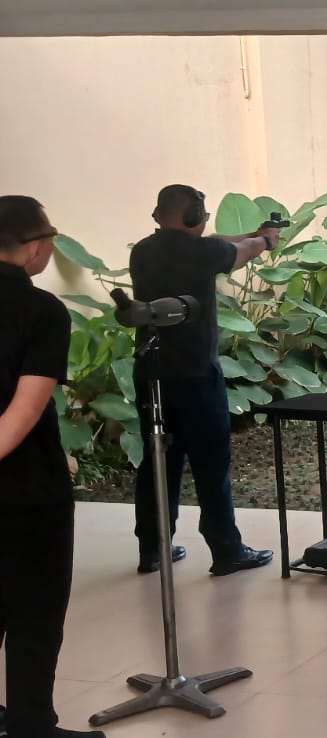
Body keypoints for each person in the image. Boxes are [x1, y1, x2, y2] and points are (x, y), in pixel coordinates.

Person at [127, 185, 276, 576]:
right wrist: (263, 240)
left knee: (158, 462)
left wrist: (252, 234)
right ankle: (226, 550)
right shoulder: (203, 252)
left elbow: (217, 242)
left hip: (152, 375)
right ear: (195, 217)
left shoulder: (143, 250)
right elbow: (238, 252)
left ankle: (153, 548)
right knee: (212, 466)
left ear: (158, 215)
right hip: (195, 376)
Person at [0, 195, 105, 738]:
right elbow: (23, 411)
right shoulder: (40, 310)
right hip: (25, 489)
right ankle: (30, 725)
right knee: (33, 610)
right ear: (35, 247)